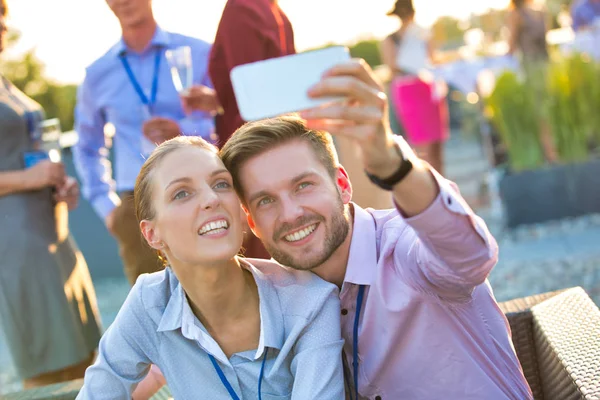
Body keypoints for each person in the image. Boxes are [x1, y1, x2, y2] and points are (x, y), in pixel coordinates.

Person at [219, 60, 533, 399]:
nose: (291, 213)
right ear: (252, 222)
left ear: (342, 184)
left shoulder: (405, 249)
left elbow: (470, 255)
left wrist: (394, 166)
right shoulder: (279, 298)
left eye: (303, 186)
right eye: (266, 201)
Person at [76, 136, 345, 399]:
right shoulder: (150, 302)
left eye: (221, 184)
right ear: (152, 234)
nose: (211, 199)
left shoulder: (311, 301)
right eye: (181, 193)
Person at [73, 0, 219, 285]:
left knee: (216, 288)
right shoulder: (97, 74)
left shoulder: (199, 53)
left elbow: (228, 119)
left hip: (204, 188)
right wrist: (107, 208)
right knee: (154, 308)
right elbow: (87, 147)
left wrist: (184, 130)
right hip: (136, 204)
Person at [0, 0, 101, 388]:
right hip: (15, 245)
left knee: (85, 356)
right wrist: (30, 180)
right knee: (46, 368)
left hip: (52, 234)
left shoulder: (7, 82)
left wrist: (58, 184)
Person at [207, 0, 296, 259]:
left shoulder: (240, 8)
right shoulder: (274, 10)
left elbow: (253, 103)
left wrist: (236, 185)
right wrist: (217, 100)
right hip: (280, 146)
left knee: (262, 262)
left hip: (252, 154)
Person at [379, 0, 448, 176]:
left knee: (436, 142)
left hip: (427, 87)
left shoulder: (422, 34)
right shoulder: (391, 39)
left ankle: (441, 181)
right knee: (422, 143)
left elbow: (432, 58)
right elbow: (392, 66)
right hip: (409, 89)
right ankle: (428, 183)